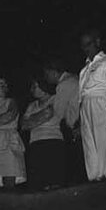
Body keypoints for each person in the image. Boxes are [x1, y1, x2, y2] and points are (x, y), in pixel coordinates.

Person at [77, 29, 106, 181]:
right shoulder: (84, 69)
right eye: (83, 45)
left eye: (89, 44)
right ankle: (95, 176)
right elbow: (82, 93)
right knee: (90, 143)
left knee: (105, 140)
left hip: (102, 102)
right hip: (86, 106)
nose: (86, 48)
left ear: (97, 42)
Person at [20, 74, 66, 190]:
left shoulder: (55, 98)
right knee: (39, 183)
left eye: (35, 86)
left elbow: (48, 114)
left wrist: (32, 119)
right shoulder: (32, 105)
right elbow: (23, 125)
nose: (32, 89)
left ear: (43, 87)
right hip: (35, 142)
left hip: (53, 141)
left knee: (54, 181)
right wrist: (39, 117)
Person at [43, 55, 81, 183]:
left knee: (76, 167)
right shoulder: (74, 77)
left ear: (54, 72)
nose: (46, 77)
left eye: (46, 74)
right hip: (82, 122)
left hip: (76, 127)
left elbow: (57, 113)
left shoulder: (63, 84)